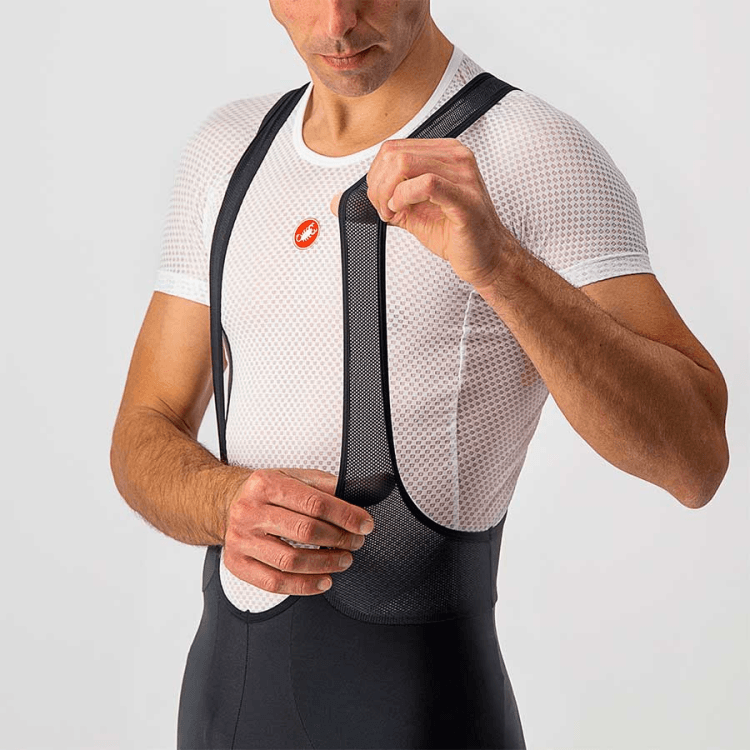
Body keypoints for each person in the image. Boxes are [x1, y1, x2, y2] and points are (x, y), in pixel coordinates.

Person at [110, 1, 730, 748]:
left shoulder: (532, 151)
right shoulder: (229, 151)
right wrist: (223, 503)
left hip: (420, 712)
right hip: (227, 709)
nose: (336, 23)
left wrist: (501, 267)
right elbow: (142, 429)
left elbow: (696, 459)